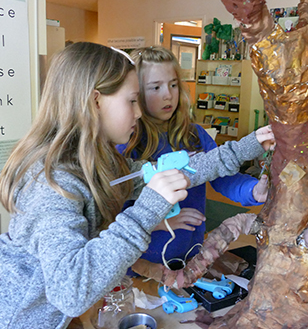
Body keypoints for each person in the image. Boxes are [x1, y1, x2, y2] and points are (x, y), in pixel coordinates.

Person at [0, 42, 273, 329]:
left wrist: (248, 146)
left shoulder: (100, 166)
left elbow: (183, 172)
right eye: (132, 101)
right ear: (96, 102)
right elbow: (72, 293)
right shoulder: (53, 183)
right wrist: (148, 211)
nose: (139, 112)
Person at [117, 46, 274, 272]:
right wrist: (163, 223)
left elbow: (223, 176)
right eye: (155, 87)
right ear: (136, 92)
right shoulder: (128, 144)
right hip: (143, 267)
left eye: (173, 85)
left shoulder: (195, 135)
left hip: (191, 257)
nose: (167, 95)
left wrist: (253, 191)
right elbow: (114, 214)